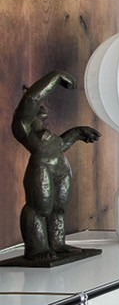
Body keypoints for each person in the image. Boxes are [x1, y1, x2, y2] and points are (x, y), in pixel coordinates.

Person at [12, 70, 100, 261]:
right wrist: (56, 76)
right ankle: (36, 248)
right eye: (37, 105)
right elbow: (32, 98)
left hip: (60, 167)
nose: (41, 105)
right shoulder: (23, 127)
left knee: (58, 208)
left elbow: (59, 145)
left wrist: (77, 133)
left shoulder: (45, 133)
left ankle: (57, 244)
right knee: (39, 207)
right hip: (41, 167)